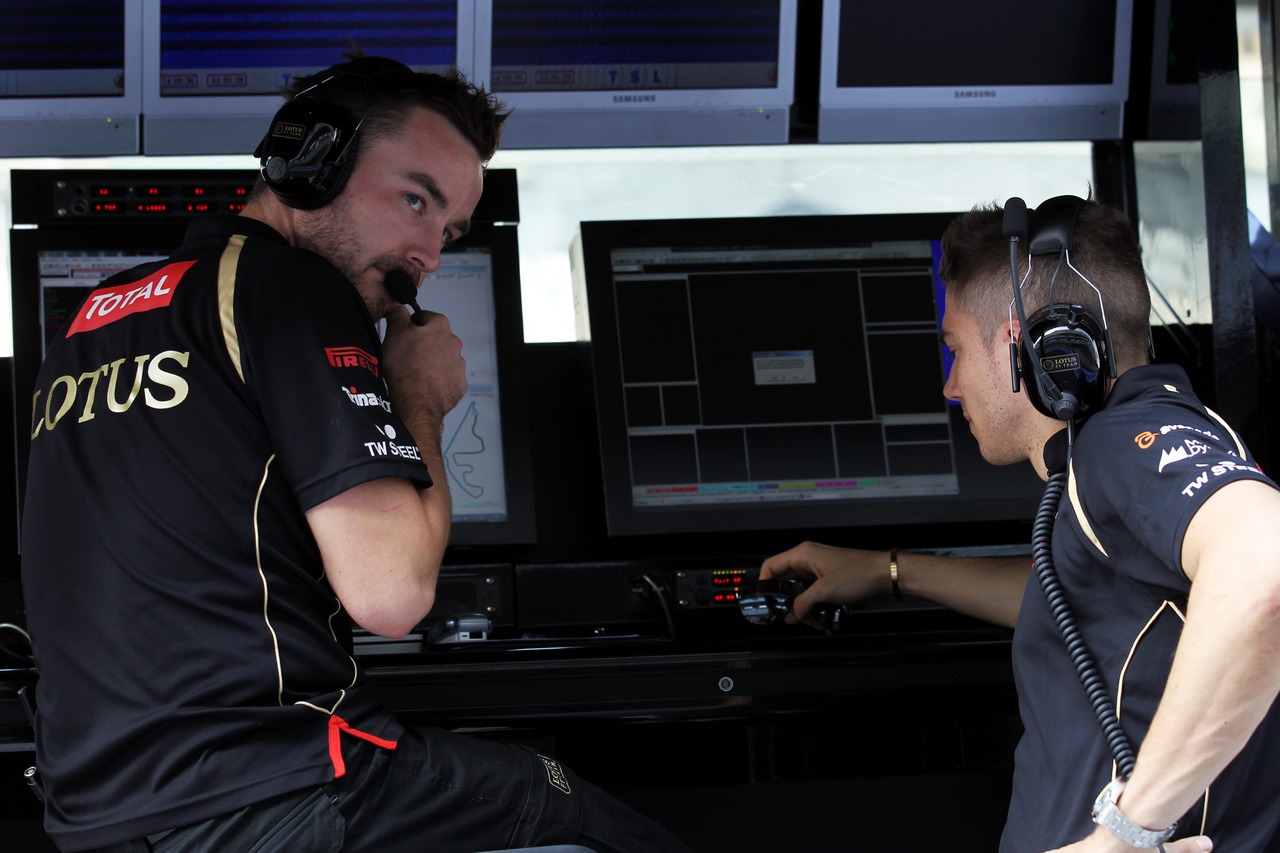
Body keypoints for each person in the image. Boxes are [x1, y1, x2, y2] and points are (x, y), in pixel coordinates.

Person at [19, 54, 694, 853]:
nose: (429, 253)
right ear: (311, 164)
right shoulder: (297, 290)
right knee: (584, 809)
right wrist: (420, 397)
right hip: (271, 783)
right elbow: (392, 594)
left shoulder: (93, 318)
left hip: (99, 810)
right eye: (414, 200)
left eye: (448, 231)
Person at [761, 195, 1280, 852]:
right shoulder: (1136, 436)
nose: (950, 387)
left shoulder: (1122, 441)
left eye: (955, 350)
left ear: (1026, 347)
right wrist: (890, 571)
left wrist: (1125, 831)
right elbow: (1088, 601)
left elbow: (1266, 563)